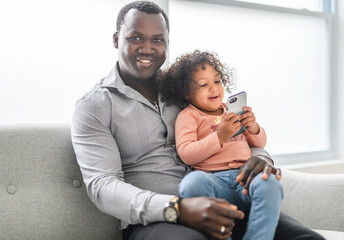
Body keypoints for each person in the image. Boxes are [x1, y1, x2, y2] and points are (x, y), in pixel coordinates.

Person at [71, 1, 324, 240]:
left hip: (225, 197)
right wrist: (177, 208)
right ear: (116, 40)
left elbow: (231, 129)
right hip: (159, 220)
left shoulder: (186, 88)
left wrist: (261, 158)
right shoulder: (94, 106)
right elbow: (102, 186)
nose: (147, 47)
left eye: (157, 40)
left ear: (166, 44)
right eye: (135, 37)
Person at [159, 50, 283, 240]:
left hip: (244, 178)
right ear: (185, 92)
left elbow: (259, 143)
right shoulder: (189, 116)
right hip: (213, 183)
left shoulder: (232, 112)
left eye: (217, 81)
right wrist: (220, 136)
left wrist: (253, 127)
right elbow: (187, 153)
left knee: (270, 182)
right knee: (191, 183)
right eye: (203, 84)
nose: (213, 89)